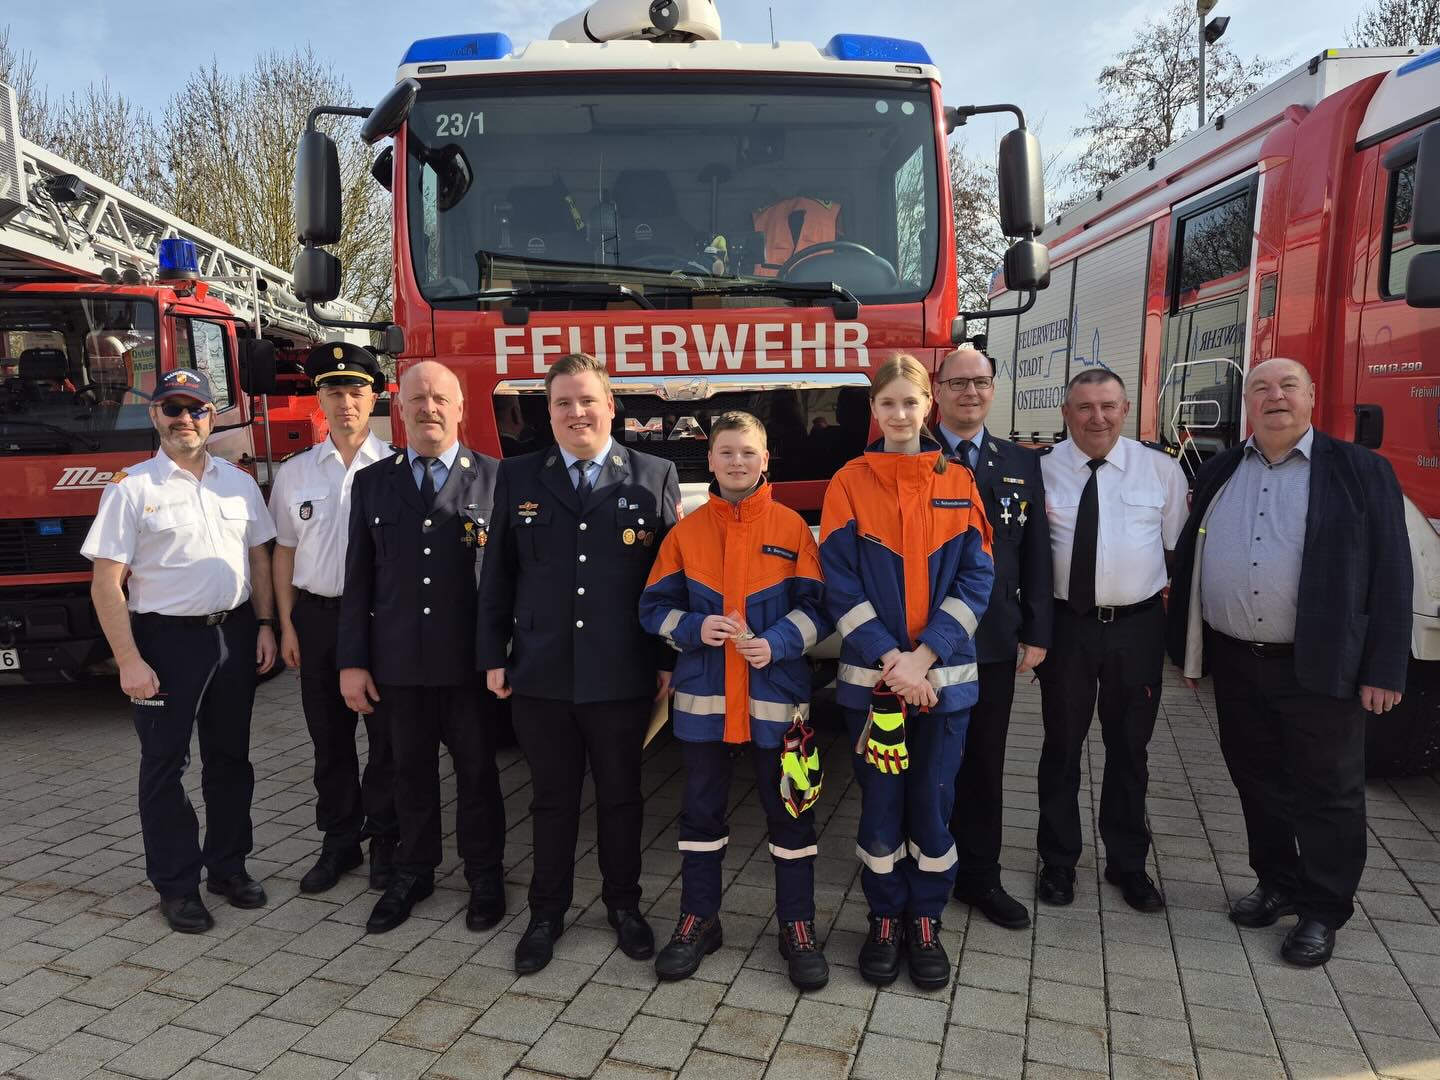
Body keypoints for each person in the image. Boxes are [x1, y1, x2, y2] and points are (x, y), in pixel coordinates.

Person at [1166, 358, 1412, 966]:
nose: (1274, 397)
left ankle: (1324, 909)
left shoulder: (1361, 471)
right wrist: (1188, 650)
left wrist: (1384, 668)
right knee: (1257, 780)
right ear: (1247, 402)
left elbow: (1393, 574)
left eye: (1288, 386)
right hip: (1238, 660)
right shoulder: (1222, 467)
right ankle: (1277, 882)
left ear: (1311, 395)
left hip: (1323, 664)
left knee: (1329, 792)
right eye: (1260, 388)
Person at [480, 351, 681, 976]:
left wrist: (666, 661)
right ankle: (547, 912)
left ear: (611, 406)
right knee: (551, 799)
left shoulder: (653, 474)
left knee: (622, 797)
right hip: (540, 671)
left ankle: (624, 905)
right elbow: (498, 577)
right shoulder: (516, 477)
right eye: (563, 402)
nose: (576, 412)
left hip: (621, 672)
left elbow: (668, 580)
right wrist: (493, 656)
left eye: (587, 400)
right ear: (549, 410)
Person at [639, 411, 831, 990]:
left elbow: (820, 609)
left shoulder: (793, 527)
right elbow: (651, 610)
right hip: (705, 704)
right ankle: (699, 919)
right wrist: (698, 629)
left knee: (792, 812)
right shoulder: (686, 533)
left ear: (766, 458)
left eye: (748, 452)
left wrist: (775, 643)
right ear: (711, 460)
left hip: (778, 705)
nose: (738, 462)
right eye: (726, 452)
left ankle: (797, 926)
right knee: (700, 816)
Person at [820, 354, 994, 991]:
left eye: (911, 403)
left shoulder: (959, 481)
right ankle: (884, 919)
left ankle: (926, 919)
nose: (900, 414)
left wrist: (926, 656)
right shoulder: (848, 482)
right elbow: (837, 582)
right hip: (875, 687)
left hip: (942, 685)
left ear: (931, 408)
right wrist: (894, 660)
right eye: (888, 403)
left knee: (933, 806)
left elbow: (978, 578)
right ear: (874, 411)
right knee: (880, 809)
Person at [81, 368, 277, 933]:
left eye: (195, 409)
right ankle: (176, 885)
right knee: (166, 765)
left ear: (212, 418)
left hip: (233, 634)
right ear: (155, 415)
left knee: (230, 759)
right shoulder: (130, 487)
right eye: (173, 409)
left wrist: (264, 623)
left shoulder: (237, 483)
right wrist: (128, 660)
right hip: (164, 643)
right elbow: (105, 584)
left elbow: (259, 558)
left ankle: (228, 867)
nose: (184, 419)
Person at [337, 361, 507, 935]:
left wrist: (504, 656)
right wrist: (353, 662)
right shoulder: (372, 483)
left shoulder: (496, 479)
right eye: (417, 399)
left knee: (479, 775)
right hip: (398, 663)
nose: (428, 408)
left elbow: (511, 580)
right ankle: (414, 871)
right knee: (406, 773)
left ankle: (484, 874)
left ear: (460, 408)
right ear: (399, 408)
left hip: (471, 665)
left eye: (440, 399)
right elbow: (357, 580)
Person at [1034, 369, 1188, 913]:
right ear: (1066, 412)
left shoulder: (1161, 472)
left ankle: (1127, 864)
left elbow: (1175, 551)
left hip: (1136, 628)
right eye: (1084, 407)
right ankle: (1057, 861)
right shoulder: (1042, 471)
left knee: (1130, 750)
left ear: (1126, 410)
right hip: (1068, 626)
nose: (1096, 417)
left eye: (1107, 406)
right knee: (1061, 746)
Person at [932, 345, 1052, 930]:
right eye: (957, 383)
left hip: (994, 641)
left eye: (980, 382)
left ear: (994, 389)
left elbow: (1035, 553)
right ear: (937, 390)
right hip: (922, 641)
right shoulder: (902, 456)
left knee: (984, 761)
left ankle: (980, 875)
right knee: (922, 761)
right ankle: (918, 864)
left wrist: (1038, 630)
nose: (969, 393)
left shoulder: (1021, 463)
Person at [269, 343, 396, 895]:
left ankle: (387, 840)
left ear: (374, 397)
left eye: (355, 391)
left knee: (387, 737)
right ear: (318, 398)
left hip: (378, 621)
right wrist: (287, 624)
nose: (344, 402)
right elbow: (284, 553)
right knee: (329, 738)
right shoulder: (296, 473)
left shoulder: (398, 468)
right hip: (317, 617)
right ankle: (339, 841)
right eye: (333, 391)